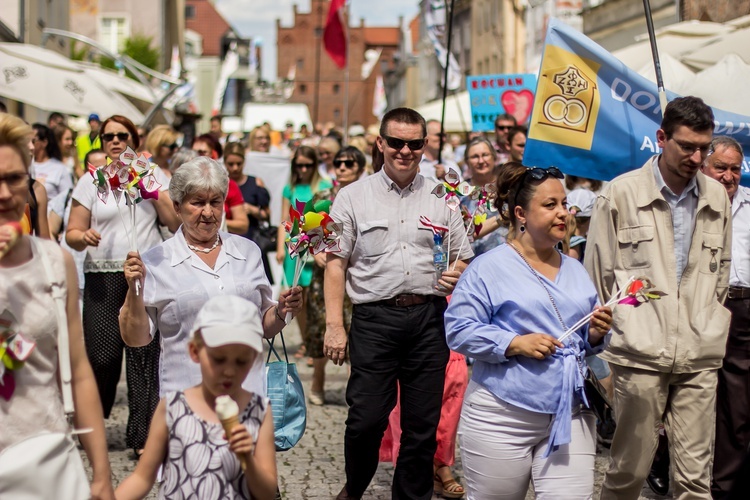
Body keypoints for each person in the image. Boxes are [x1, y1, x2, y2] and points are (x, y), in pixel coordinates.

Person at [585, 96, 732, 499]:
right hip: (639, 356)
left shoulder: (717, 197)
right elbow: (599, 281)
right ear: (662, 138)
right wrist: (628, 328)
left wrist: (707, 317)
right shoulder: (619, 194)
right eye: (687, 146)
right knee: (628, 473)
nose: (697, 156)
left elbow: (719, 274)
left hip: (699, 356)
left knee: (694, 481)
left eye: (704, 147)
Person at [324, 108, 473, 500]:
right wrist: (335, 326)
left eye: (415, 143)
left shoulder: (443, 197)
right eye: (396, 142)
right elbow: (335, 264)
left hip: (428, 318)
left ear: (425, 146)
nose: (405, 151)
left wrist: (456, 270)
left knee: (422, 426)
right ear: (380, 143)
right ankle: (355, 487)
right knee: (365, 420)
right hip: (375, 320)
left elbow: (463, 254)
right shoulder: (352, 196)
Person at [445, 161, 613, 499]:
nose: (562, 213)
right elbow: (459, 330)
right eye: (550, 205)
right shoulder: (488, 268)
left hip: (570, 410)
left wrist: (596, 333)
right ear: (520, 213)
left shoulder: (576, 269)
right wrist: (514, 342)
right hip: (502, 413)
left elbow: (584, 340)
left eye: (564, 204)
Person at [118, 157, 303, 399]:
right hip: (187, 399)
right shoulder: (156, 261)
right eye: (197, 203)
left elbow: (262, 326)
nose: (207, 212)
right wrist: (134, 290)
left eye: (215, 202)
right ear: (177, 206)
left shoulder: (247, 251)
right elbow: (136, 338)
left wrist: (282, 310)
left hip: (247, 394)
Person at [0, 112, 115, 499]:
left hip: (45, 458)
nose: (4, 193)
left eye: (14, 179)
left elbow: (79, 368)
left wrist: (101, 473)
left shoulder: (54, 261)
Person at [66, 114, 180, 458]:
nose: (115, 142)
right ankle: (92, 421)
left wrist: (149, 182)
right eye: (108, 137)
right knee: (102, 356)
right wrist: (82, 236)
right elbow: (72, 232)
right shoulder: (91, 181)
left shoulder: (153, 173)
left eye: (122, 136)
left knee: (143, 353)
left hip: (143, 272)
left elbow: (173, 222)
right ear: (101, 142)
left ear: (135, 140)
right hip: (102, 273)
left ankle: (142, 435)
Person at [115, 296, 277, 500]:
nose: (229, 370)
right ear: (194, 351)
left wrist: (248, 460)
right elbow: (142, 478)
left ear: (253, 359)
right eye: (218, 359)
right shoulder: (173, 406)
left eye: (241, 361)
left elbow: (268, 492)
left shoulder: (259, 411)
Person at [698, 136, 750, 499]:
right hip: (699, 307)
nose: (729, 176)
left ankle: (725, 487)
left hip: (742, 309)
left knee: (737, 403)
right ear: (704, 166)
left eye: (735, 168)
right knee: (690, 398)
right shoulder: (690, 202)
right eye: (721, 167)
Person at [306, 146, 364, 405]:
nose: (342, 167)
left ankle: (355, 390)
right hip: (324, 276)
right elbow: (305, 232)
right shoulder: (322, 197)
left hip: (356, 275)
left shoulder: (365, 197)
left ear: (360, 169)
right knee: (319, 327)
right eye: (338, 162)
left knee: (355, 330)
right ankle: (318, 381)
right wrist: (315, 250)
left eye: (348, 163)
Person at [276, 146, 333, 360]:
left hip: (316, 244)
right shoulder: (289, 188)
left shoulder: (325, 186)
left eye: (307, 165)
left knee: (314, 297)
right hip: (295, 245)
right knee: (297, 296)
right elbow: (284, 219)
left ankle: (314, 342)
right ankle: (306, 341)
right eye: (299, 165)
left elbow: (329, 218)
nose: (303, 169)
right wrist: (280, 246)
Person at [223, 142, 273, 282]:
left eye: (239, 163)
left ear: (244, 162)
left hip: (250, 239)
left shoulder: (255, 183)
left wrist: (252, 209)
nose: (235, 168)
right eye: (231, 164)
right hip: (226, 241)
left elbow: (267, 215)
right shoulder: (220, 183)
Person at [193, 133, 248, 235]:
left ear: (214, 154)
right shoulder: (183, 184)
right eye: (194, 152)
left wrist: (215, 221)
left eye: (202, 152)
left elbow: (243, 225)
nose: (196, 156)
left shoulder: (228, 185)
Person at [460, 137, 507, 255]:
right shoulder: (458, 194)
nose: (481, 161)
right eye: (475, 157)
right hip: (472, 262)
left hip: (506, 260)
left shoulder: (508, 188)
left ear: (494, 157)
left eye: (485, 155)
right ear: (467, 162)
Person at [31, 123, 73, 201]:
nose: (29, 144)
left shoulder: (59, 168)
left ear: (44, 142)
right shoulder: (25, 166)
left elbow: (68, 199)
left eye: (33, 140)